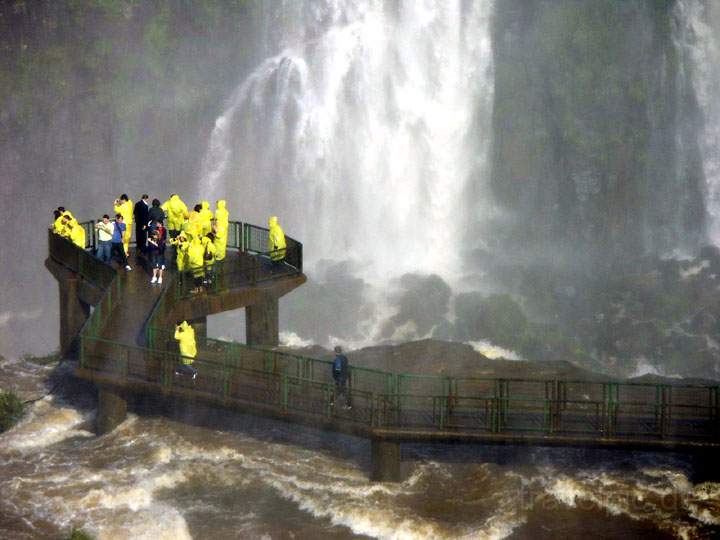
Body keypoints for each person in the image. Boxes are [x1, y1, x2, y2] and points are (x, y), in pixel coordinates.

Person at [147, 220, 166, 284]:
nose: (154, 236)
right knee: (154, 266)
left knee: (160, 266)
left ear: (158, 235)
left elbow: (160, 247)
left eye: (155, 235)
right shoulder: (152, 238)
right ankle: (154, 277)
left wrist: (152, 242)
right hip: (153, 254)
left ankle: (160, 277)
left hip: (159, 254)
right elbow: (150, 247)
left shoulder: (161, 240)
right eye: (153, 235)